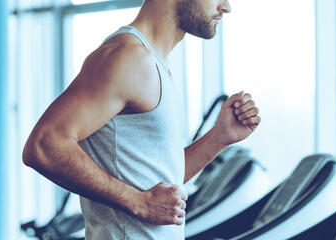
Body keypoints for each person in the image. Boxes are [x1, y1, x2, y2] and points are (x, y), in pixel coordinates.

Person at [22, 0, 261, 239]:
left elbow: (164, 177)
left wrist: (219, 137)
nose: (226, 6)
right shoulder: (129, 57)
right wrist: (138, 202)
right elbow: (44, 145)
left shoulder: (154, 63)